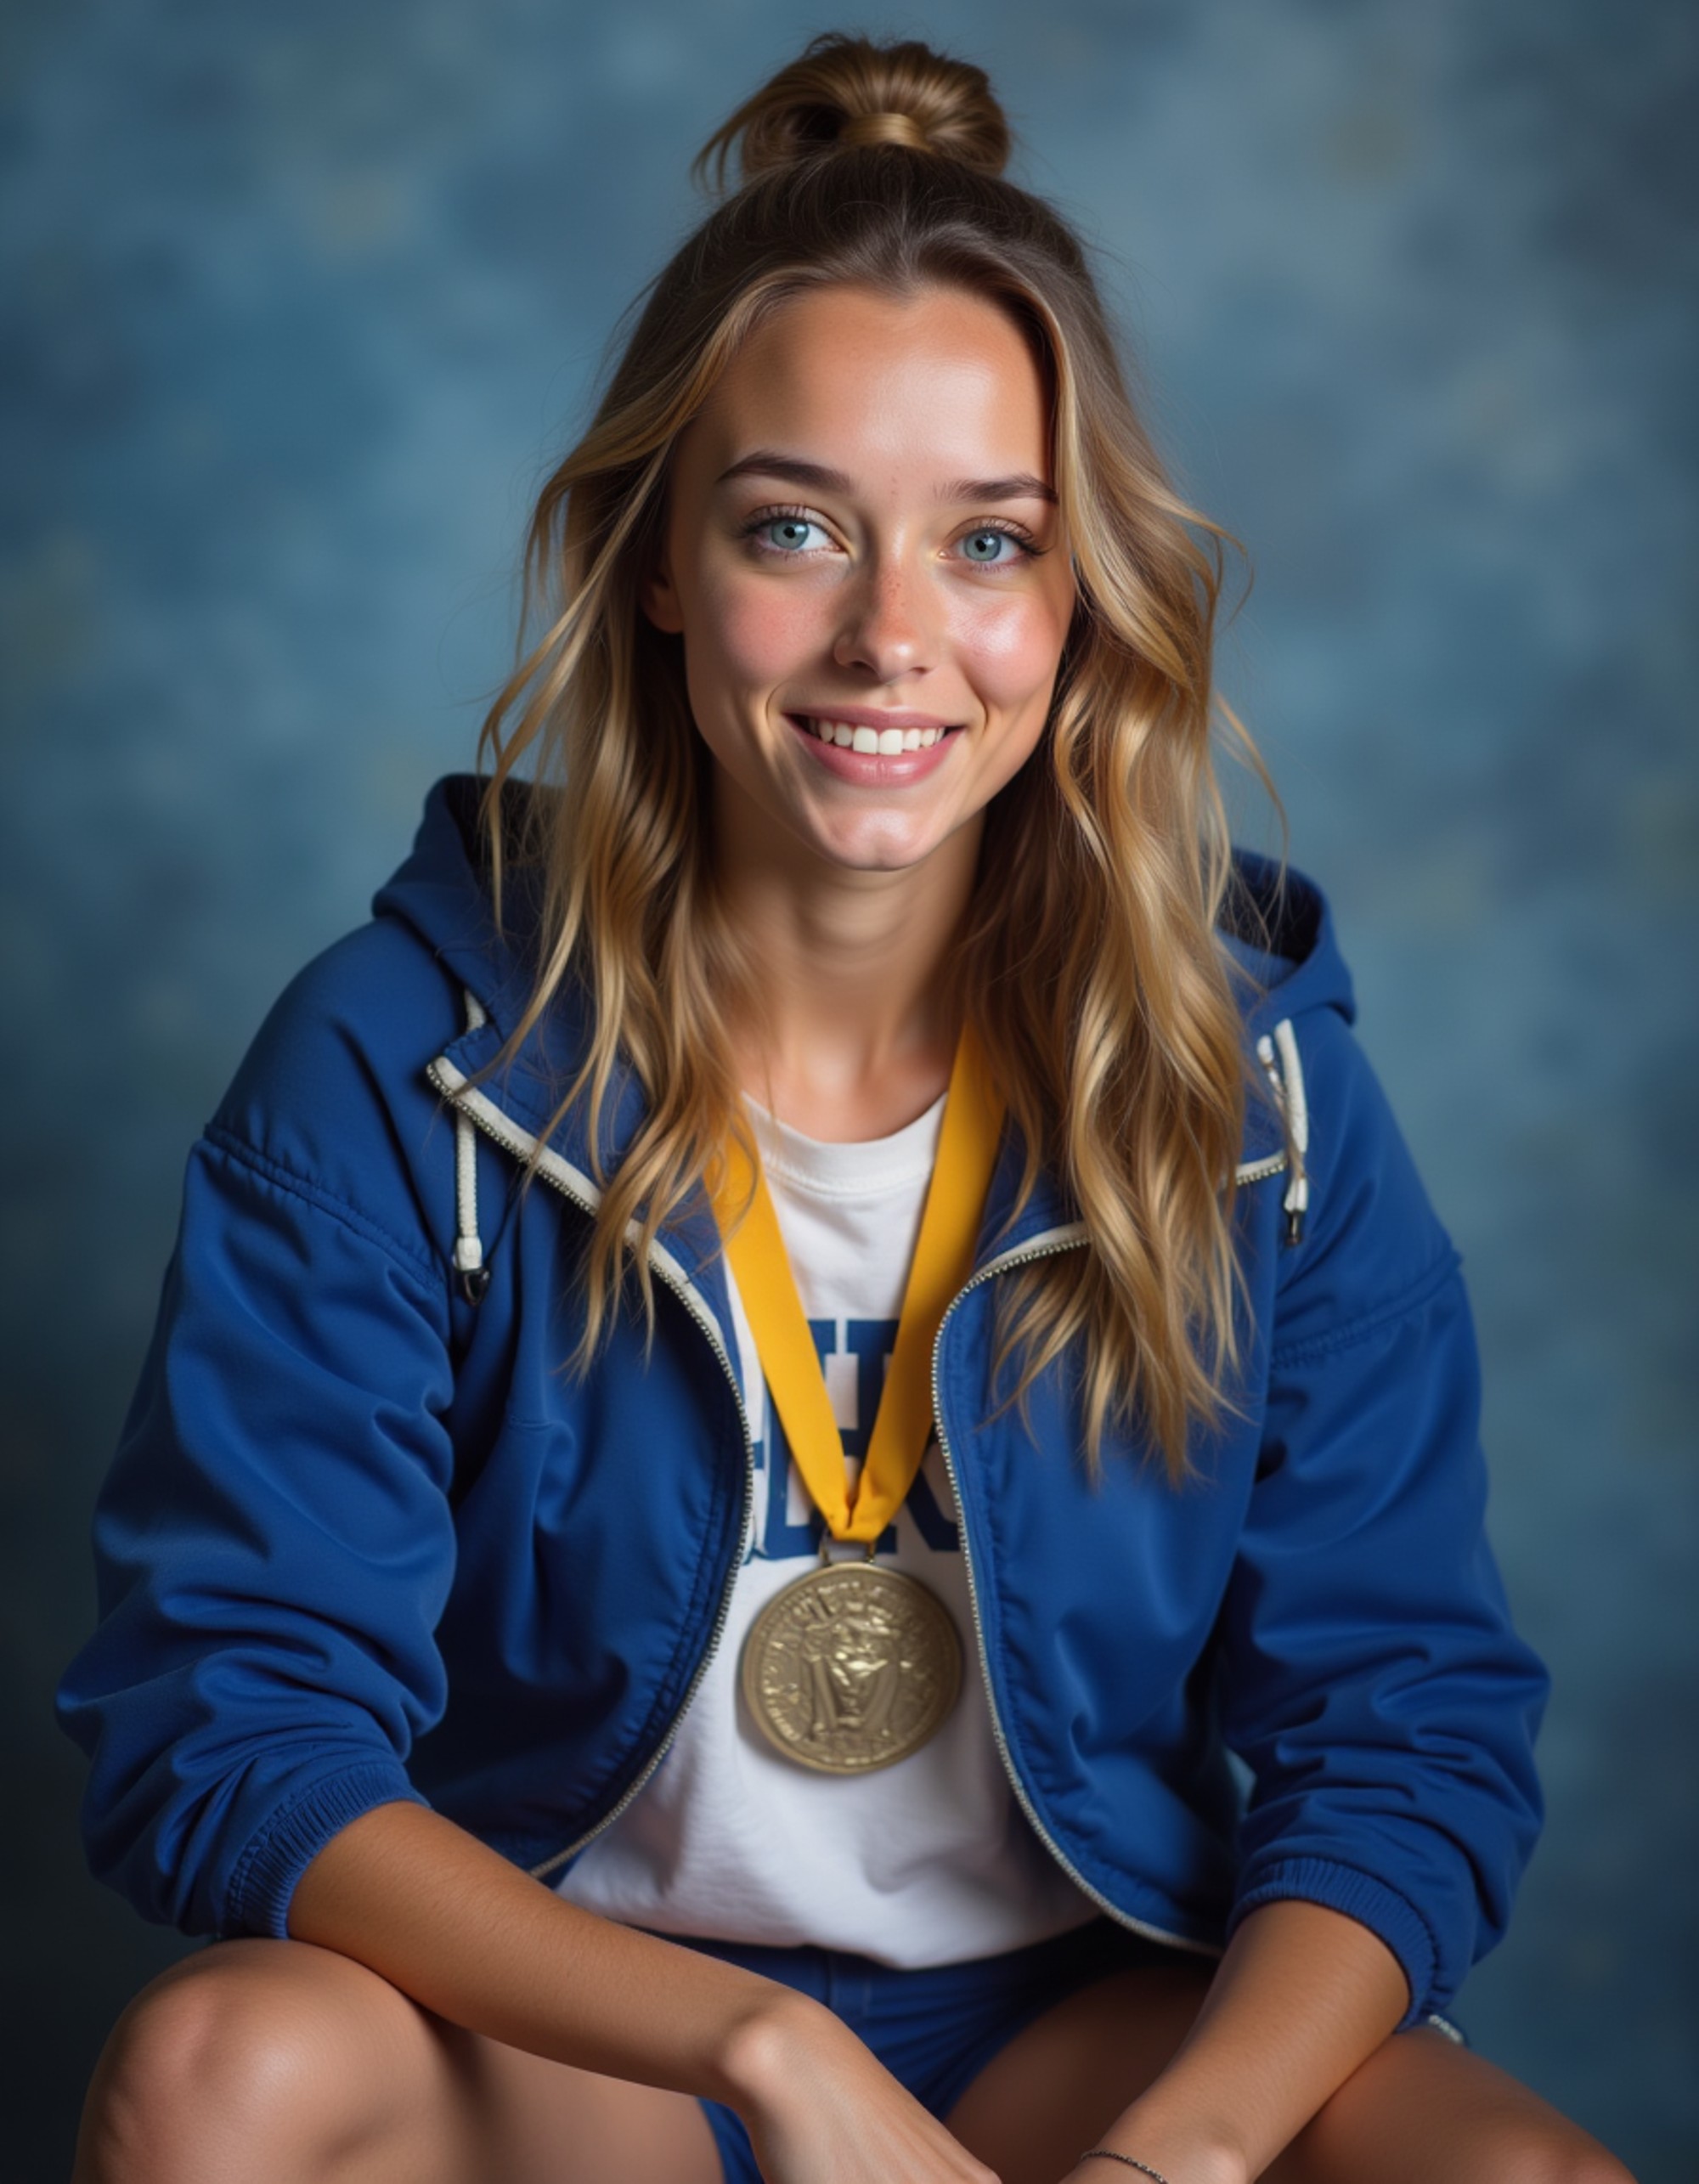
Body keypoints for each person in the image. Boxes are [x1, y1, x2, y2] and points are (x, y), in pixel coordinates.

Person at [57, 32, 1634, 2184]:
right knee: (216, 2071)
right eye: (796, 526)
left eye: (988, 542)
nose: (897, 636)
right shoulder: (395, 1064)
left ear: (1078, 606)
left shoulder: (1252, 1088)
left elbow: (1406, 1730)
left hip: (1074, 2020)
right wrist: (768, 2053)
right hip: (587, 2019)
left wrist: (1179, 2154)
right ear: (656, 562)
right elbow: (224, 1731)